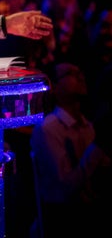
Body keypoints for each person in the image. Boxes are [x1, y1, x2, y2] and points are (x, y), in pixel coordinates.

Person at [29, 63, 111, 237]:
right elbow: (65, 187)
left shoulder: (87, 125)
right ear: (55, 87)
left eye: (80, 71)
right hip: (63, 220)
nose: (80, 75)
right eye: (70, 73)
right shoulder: (48, 128)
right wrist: (97, 147)